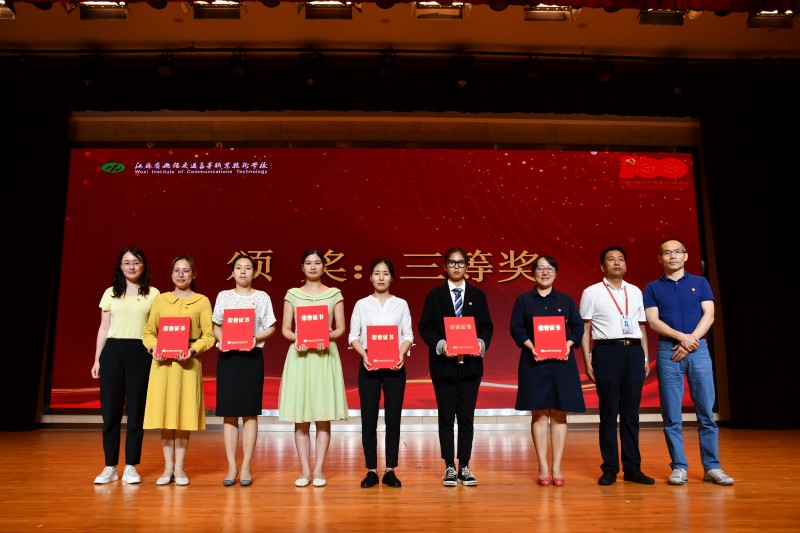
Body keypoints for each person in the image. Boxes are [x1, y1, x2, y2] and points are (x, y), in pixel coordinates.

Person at [644, 237, 734, 486]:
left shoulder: (700, 283)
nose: (672, 256)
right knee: (671, 414)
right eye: (667, 252)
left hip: (698, 349)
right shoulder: (652, 287)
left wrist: (691, 340)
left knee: (706, 412)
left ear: (685, 256)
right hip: (668, 350)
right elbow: (653, 321)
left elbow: (709, 315)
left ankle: (712, 467)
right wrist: (682, 338)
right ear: (660, 258)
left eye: (677, 251)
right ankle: (679, 467)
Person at [418, 247, 493, 487]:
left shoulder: (478, 295)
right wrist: (441, 345)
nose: (457, 267)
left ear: (467, 267)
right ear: (445, 267)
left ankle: (465, 466)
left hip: (471, 366)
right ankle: (449, 466)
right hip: (444, 366)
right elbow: (425, 326)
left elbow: (487, 327)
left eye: (461, 263)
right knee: (446, 417)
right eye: (452, 262)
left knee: (467, 418)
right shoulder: (435, 295)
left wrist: (481, 343)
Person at [580, 246, 653, 486]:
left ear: (626, 265)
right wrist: (587, 361)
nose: (617, 263)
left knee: (631, 413)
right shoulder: (591, 292)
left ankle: (632, 468)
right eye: (611, 260)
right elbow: (585, 329)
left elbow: (642, 327)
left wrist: (645, 358)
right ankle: (610, 468)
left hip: (634, 352)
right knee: (609, 412)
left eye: (621, 259)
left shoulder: (636, 291)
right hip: (606, 352)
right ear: (603, 266)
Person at [510, 254, 584, 487]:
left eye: (549, 268)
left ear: (556, 273)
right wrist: (532, 347)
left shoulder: (565, 300)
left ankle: (557, 466)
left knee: (560, 414)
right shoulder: (524, 300)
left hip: (562, 363)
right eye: (540, 268)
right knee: (539, 414)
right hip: (534, 363)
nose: (545, 272)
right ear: (533, 273)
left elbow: (578, 327)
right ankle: (542, 465)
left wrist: (568, 344)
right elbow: (516, 328)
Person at [277, 248, 349, 488]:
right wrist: (297, 338)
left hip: (324, 355)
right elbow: (286, 329)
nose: (313, 267)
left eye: (317, 263)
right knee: (301, 417)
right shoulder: (292, 294)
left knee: (322, 415)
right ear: (302, 267)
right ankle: (304, 471)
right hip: (300, 356)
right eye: (308, 263)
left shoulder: (334, 294)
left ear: (324, 267)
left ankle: (319, 470)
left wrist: (327, 337)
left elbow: (340, 329)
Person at [142, 255, 215, 486]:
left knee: (183, 416)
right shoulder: (161, 300)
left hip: (188, 365)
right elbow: (148, 332)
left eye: (185, 271)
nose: (181, 275)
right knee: (166, 417)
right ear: (171, 274)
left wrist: (193, 349)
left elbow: (209, 335)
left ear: (194, 275)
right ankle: (167, 468)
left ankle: (180, 468)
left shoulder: (202, 301)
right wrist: (154, 348)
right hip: (163, 365)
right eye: (176, 270)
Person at [92, 246, 160, 485]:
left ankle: (131, 466)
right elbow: (103, 328)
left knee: (136, 412)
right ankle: (110, 466)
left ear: (144, 266)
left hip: (141, 352)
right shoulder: (110, 293)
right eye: (127, 262)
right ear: (120, 266)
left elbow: (157, 328)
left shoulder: (153, 294)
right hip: (112, 351)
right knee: (110, 412)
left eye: (136, 262)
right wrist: (97, 359)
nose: (132, 266)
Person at [212, 254, 277, 487]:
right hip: (228, 359)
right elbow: (216, 325)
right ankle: (232, 465)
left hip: (251, 358)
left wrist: (254, 338)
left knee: (250, 412)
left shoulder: (262, 297)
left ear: (254, 272)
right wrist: (224, 340)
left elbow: (271, 327)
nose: (242, 271)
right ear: (232, 272)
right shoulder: (223, 296)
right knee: (229, 413)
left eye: (248, 268)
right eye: (238, 267)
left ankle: (247, 464)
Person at [349, 258, 413, 489]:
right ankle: (371, 470)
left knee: (393, 419)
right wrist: (364, 355)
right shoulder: (361, 304)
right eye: (377, 273)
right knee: (369, 419)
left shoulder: (401, 304)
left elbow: (408, 335)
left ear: (392, 278)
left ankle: (390, 470)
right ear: (370, 277)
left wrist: (401, 354)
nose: (381, 277)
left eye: (385, 273)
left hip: (395, 366)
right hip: (369, 365)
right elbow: (353, 336)